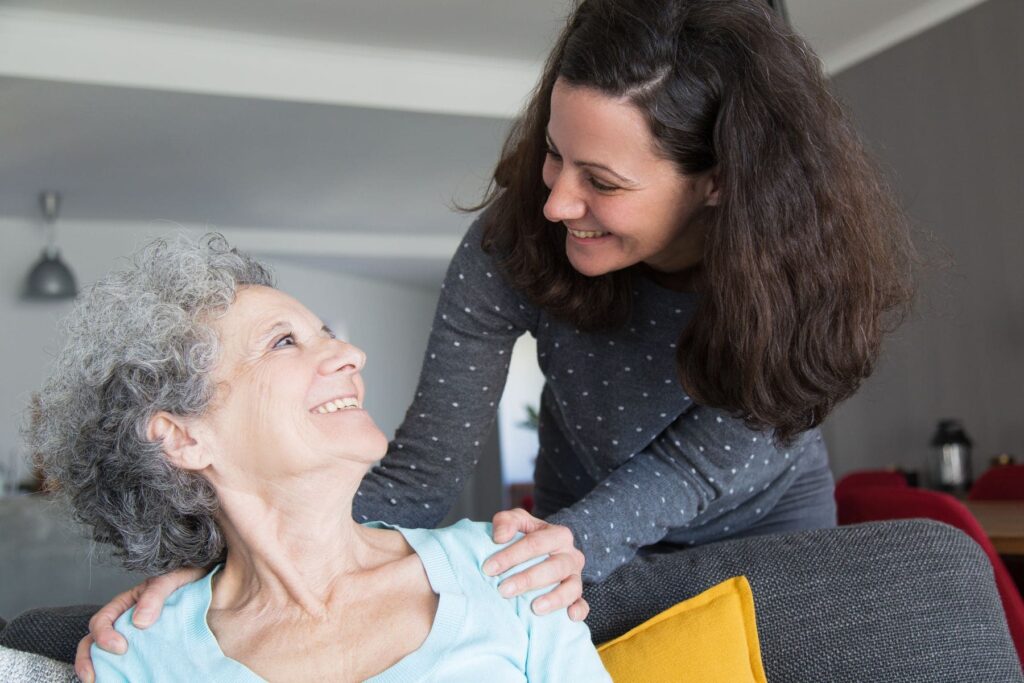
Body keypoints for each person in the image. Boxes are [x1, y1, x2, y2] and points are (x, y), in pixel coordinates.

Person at [80, 0, 915, 676]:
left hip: (758, 517)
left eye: (604, 181)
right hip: (568, 510)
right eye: (556, 155)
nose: (556, 202)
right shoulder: (510, 244)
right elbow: (422, 473)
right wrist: (237, 572)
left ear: (719, 183)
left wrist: (575, 541)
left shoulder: (803, 279)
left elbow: (699, 465)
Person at [29, 236, 610, 682]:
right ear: (182, 438)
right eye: (284, 341)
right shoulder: (143, 656)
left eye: (328, 333)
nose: (350, 354)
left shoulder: (512, 569)